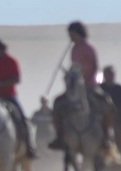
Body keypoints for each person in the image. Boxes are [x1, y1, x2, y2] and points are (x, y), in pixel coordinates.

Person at [49, 21, 114, 151]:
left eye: (71, 34)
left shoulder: (89, 48)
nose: (70, 37)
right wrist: (68, 77)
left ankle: (106, 137)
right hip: (75, 87)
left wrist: (89, 82)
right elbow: (74, 68)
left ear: (77, 33)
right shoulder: (73, 49)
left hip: (90, 86)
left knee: (106, 103)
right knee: (57, 103)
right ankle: (59, 136)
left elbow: (95, 66)